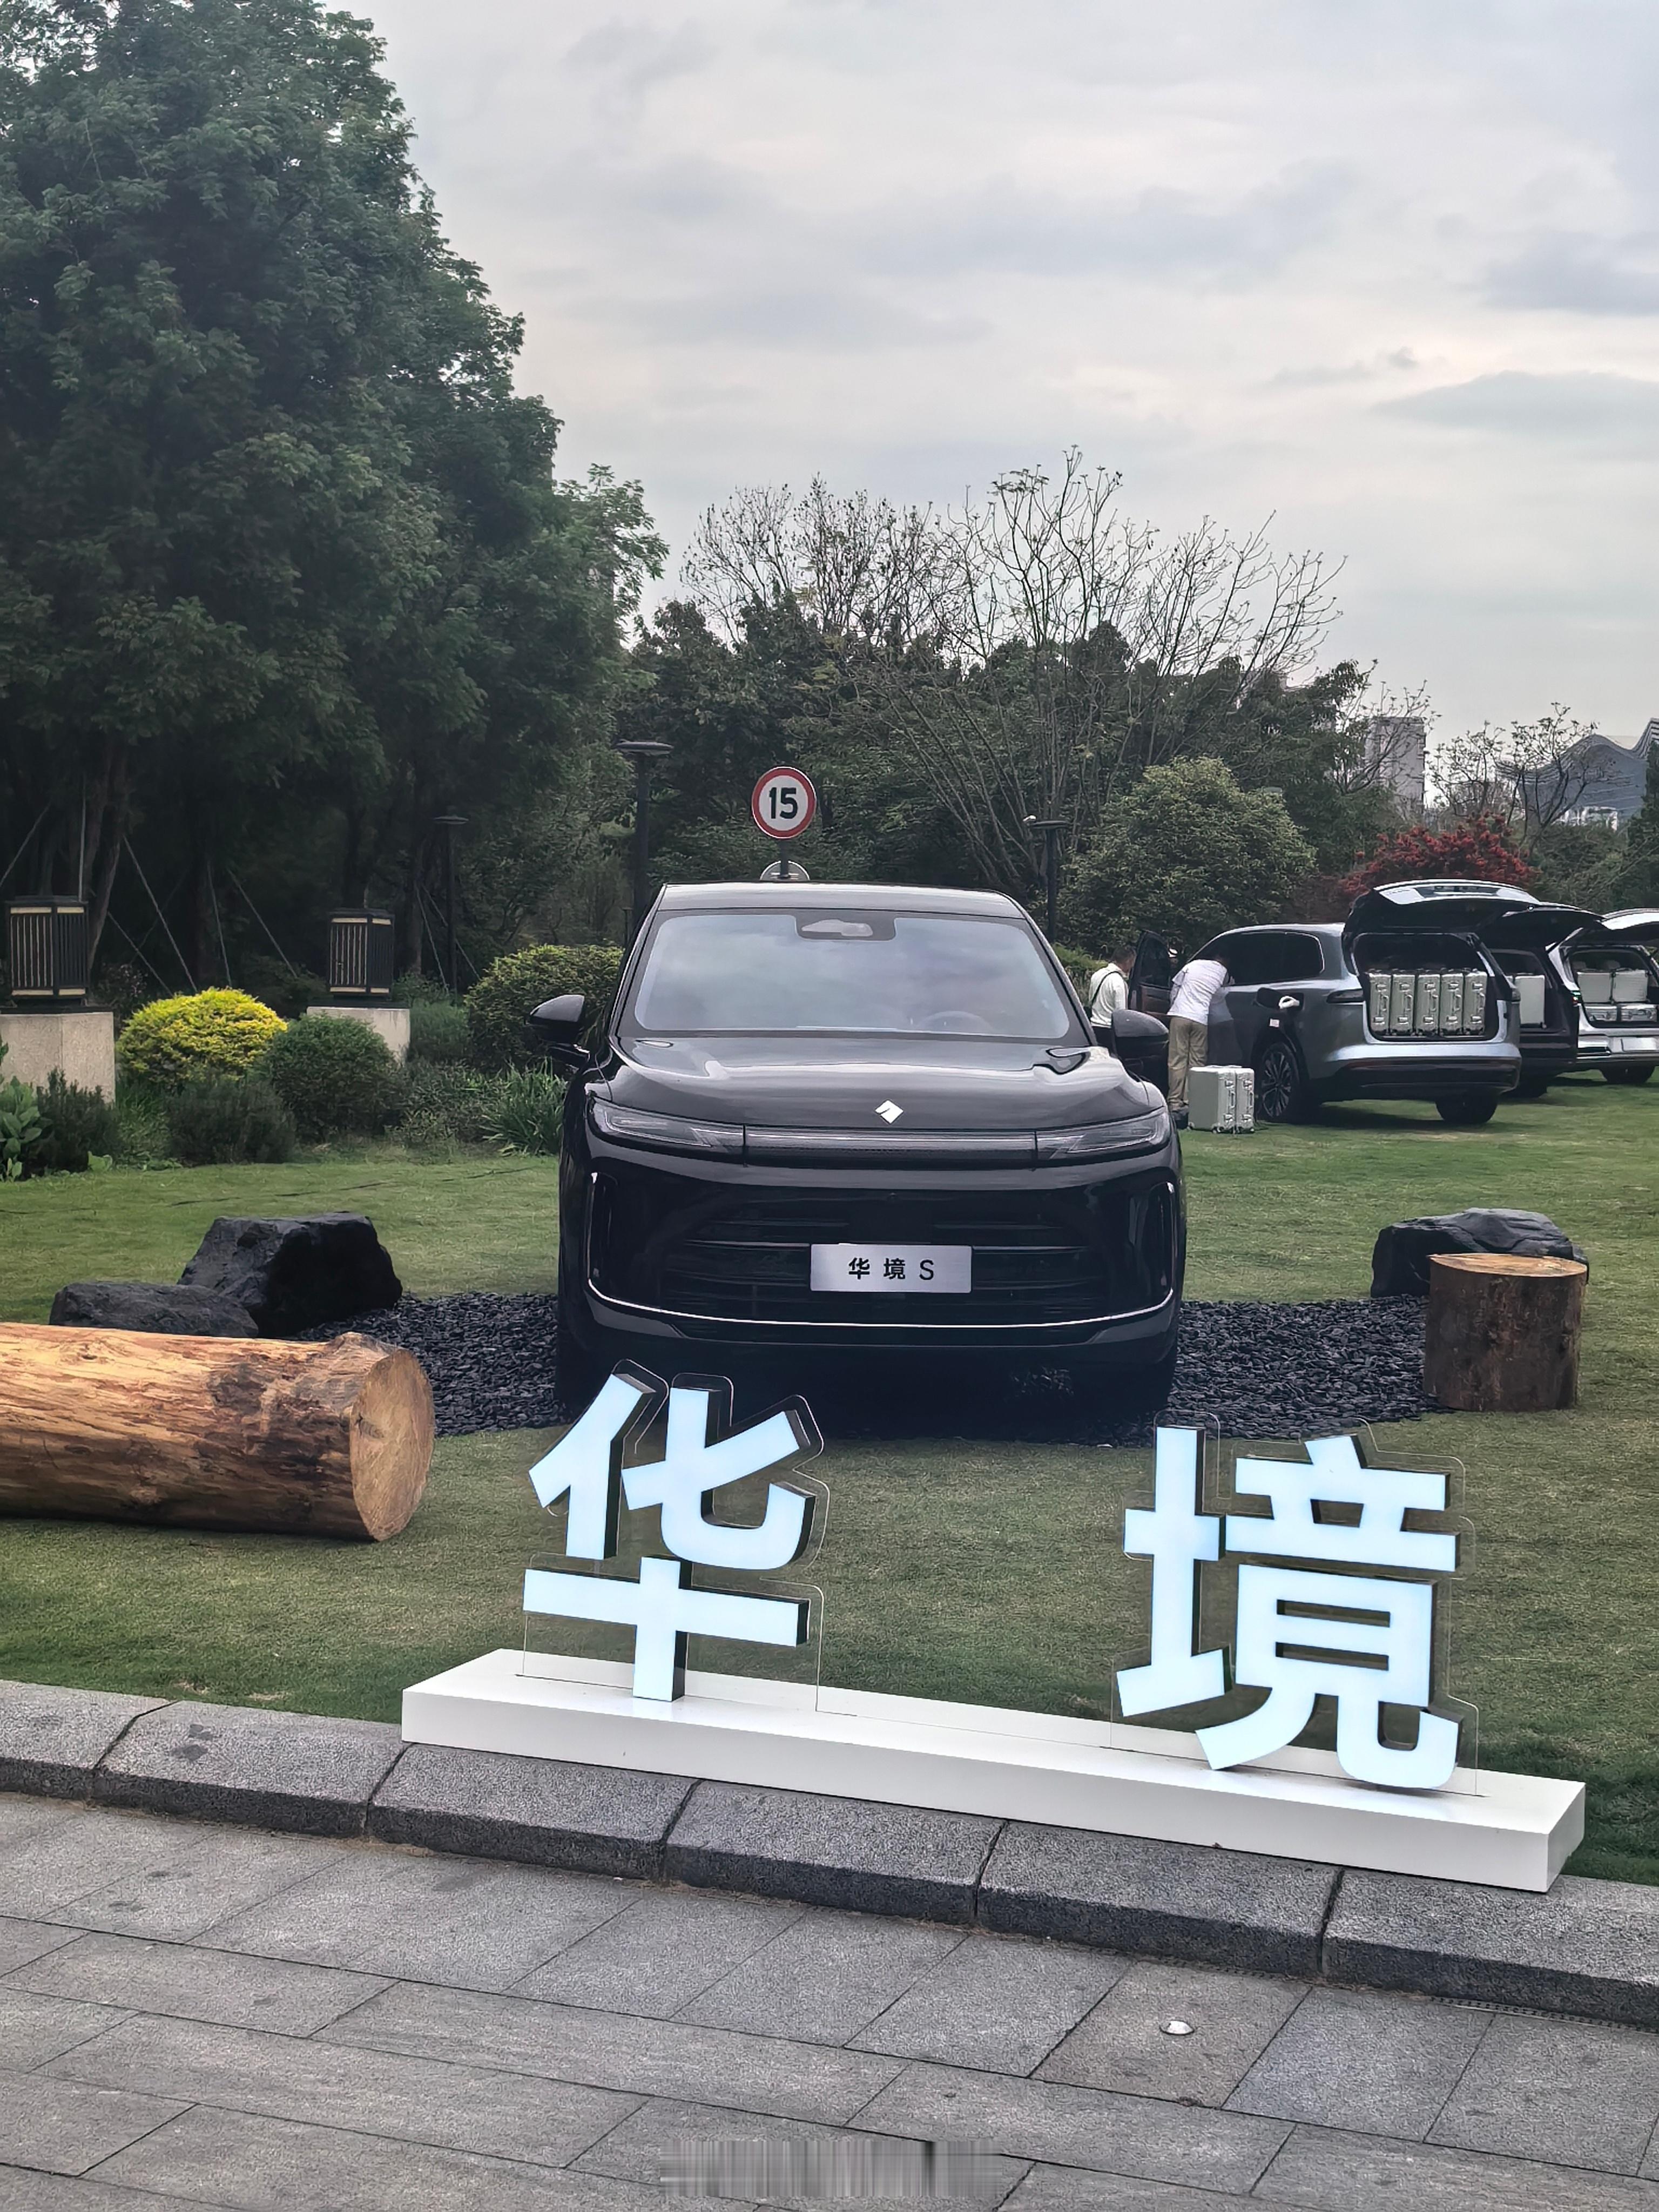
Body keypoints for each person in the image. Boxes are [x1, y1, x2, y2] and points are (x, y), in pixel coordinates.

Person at [1165, 949, 1229, 1127]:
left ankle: (1174, 1103)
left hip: (1181, 1015)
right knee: (1197, 1063)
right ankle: (1190, 1102)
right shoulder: (1224, 973)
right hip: (1201, 1018)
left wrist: (1174, 1006)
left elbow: (1175, 988)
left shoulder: (1192, 965)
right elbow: (1221, 997)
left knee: (1177, 1060)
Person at [1087, 946, 1132, 1023]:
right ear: (1128, 961)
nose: (1132, 967)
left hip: (1092, 1025)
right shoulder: (1119, 982)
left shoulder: (1097, 974)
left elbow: (1090, 1000)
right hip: (1109, 1027)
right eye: (1132, 964)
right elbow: (1121, 1015)